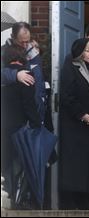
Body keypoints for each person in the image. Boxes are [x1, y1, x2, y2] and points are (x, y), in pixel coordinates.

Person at [59, 38, 89, 209]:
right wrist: (83, 115)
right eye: (88, 50)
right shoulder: (70, 68)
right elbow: (67, 97)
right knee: (76, 165)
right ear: (80, 51)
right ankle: (73, 205)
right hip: (75, 125)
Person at [1, 45, 41, 209]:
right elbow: (29, 104)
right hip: (20, 128)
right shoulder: (26, 76)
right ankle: (18, 200)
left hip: (3, 127)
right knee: (20, 164)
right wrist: (36, 124)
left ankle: (6, 197)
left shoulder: (5, 76)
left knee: (5, 164)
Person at [1, 22, 47, 122]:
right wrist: (15, 74)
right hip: (16, 115)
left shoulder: (33, 51)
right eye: (22, 42)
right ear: (12, 37)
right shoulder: (3, 51)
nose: (25, 45)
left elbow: (39, 77)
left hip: (36, 108)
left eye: (28, 41)